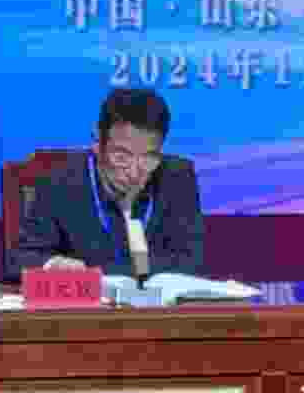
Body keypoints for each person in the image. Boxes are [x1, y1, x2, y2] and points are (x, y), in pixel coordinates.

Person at [14, 88, 206, 279]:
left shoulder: (177, 177)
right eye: (122, 156)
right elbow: (21, 259)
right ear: (98, 143)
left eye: (149, 158)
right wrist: (52, 264)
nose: (134, 173)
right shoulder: (60, 181)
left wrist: (94, 272)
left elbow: (190, 262)